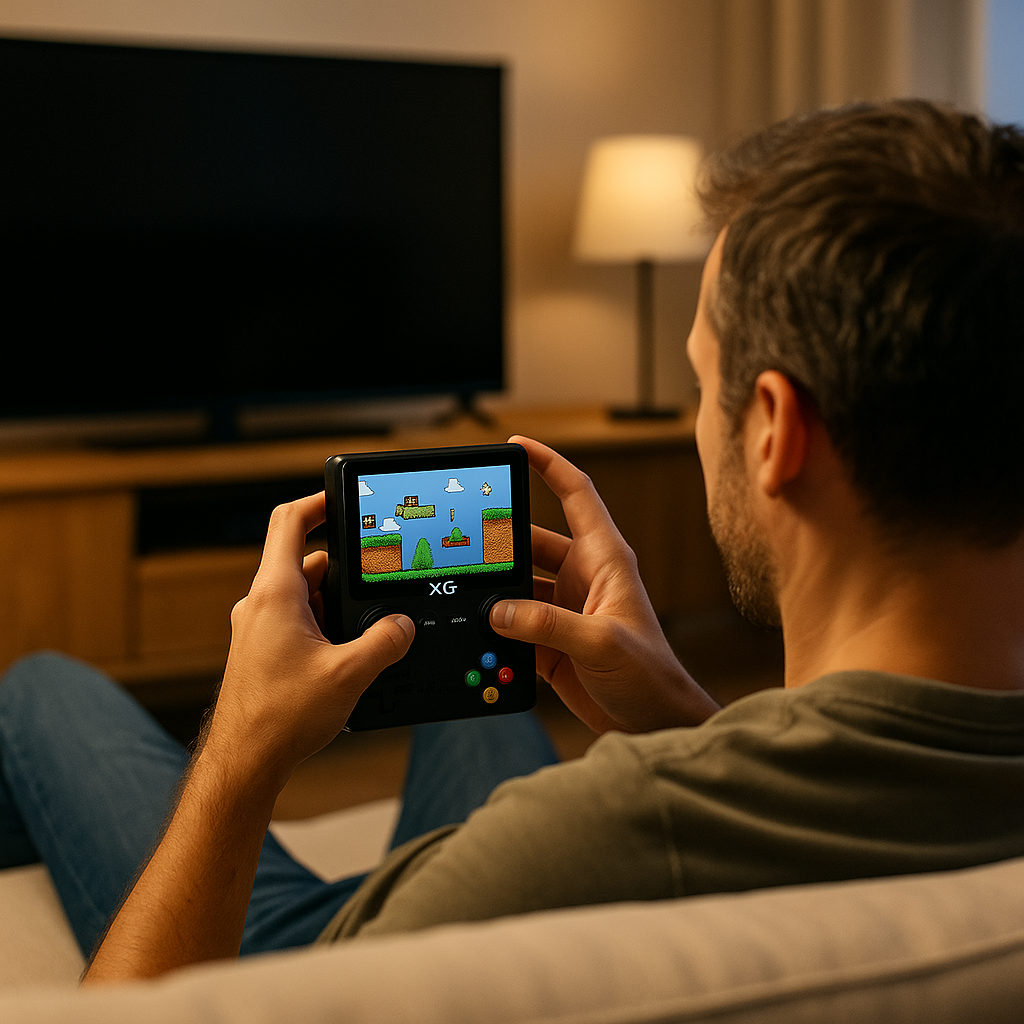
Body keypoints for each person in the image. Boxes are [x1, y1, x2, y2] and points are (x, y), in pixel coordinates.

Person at [3, 97, 1024, 985]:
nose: (694, 418)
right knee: (480, 681)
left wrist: (242, 744)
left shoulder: (577, 841)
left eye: (698, 381)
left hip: (305, 959)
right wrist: (684, 716)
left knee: (42, 688)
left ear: (771, 430)